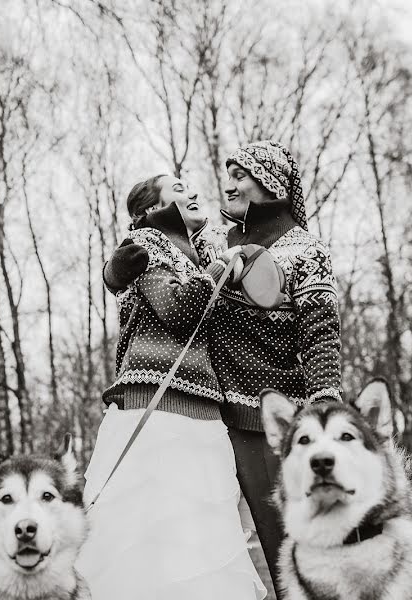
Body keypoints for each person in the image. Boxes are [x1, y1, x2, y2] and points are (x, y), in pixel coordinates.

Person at [103, 141, 342, 598]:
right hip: (205, 423)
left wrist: (325, 403)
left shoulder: (307, 250)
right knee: (193, 548)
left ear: (270, 183)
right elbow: (153, 258)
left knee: (291, 553)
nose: (226, 184)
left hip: (268, 426)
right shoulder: (214, 243)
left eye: (240, 175)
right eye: (227, 173)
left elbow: (321, 336)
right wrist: (112, 273)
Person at [76, 174, 265, 600]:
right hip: (155, 415)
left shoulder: (199, 256)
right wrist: (218, 268)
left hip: (205, 419)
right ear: (149, 209)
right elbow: (176, 308)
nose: (193, 191)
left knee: (201, 547)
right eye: (178, 187)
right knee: (142, 544)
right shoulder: (145, 246)